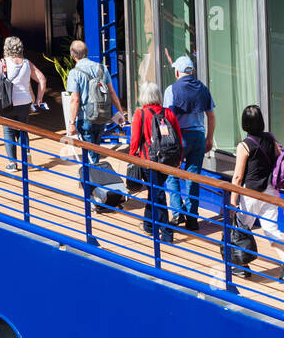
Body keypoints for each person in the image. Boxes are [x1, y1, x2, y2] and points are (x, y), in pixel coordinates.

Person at [230, 105, 284, 283]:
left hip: (250, 193)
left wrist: (232, 201)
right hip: (270, 191)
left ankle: (241, 267)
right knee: (271, 228)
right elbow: (277, 160)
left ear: (244, 123)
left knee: (240, 230)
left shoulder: (244, 146)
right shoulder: (270, 138)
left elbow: (237, 176)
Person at [64, 40, 127, 203]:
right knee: (94, 152)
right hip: (102, 116)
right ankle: (91, 184)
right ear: (86, 52)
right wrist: (120, 112)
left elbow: (75, 100)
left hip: (86, 118)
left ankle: (96, 193)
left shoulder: (75, 72)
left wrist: (71, 122)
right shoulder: (101, 68)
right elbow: (111, 92)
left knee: (90, 155)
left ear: (72, 55)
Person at [163, 56, 216, 230]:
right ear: (191, 71)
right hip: (198, 137)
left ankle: (178, 214)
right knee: (193, 177)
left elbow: (167, 119)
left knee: (172, 173)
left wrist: (167, 142)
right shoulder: (203, 89)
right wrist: (209, 138)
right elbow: (211, 116)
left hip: (179, 138)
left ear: (177, 72)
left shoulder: (171, 90)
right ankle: (192, 218)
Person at [128, 82, 181, 243]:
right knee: (154, 191)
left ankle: (166, 233)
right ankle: (149, 226)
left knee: (158, 195)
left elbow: (135, 141)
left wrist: (131, 158)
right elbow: (178, 137)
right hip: (167, 162)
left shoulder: (140, 114)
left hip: (149, 162)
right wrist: (179, 159)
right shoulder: (168, 113)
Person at [0, 36, 47, 174]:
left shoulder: (2, 63)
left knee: (8, 131)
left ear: (6, 48)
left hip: (7, 103)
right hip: (24, 103)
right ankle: (26, 158)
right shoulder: (27, 63)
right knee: (23, 130)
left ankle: (12, 163)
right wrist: (39, 99)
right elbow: (42, 79)